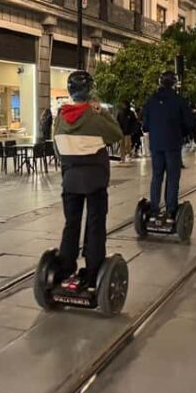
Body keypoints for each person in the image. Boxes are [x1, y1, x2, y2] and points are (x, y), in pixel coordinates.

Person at [53, 71, 122, 289]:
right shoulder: (94, 117)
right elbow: (116, 134)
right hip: (95, 181)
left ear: (70, 92)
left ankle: (64, 268)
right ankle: (93, 272)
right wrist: (102, 112)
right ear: (90, 91)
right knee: (95, 225)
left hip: (71, 180)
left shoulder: (60, 119)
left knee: (70, 224)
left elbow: (57, 151)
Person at [142, 71, 193, 224]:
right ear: (174, 83)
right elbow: (189, 124)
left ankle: (154, 210)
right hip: (172, 144)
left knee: (157, 176)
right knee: (172, 177)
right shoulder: (179, 101)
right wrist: (182, 133)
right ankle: (171, 211)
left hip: (156, 145)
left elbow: (145, 126)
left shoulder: (150, 101)